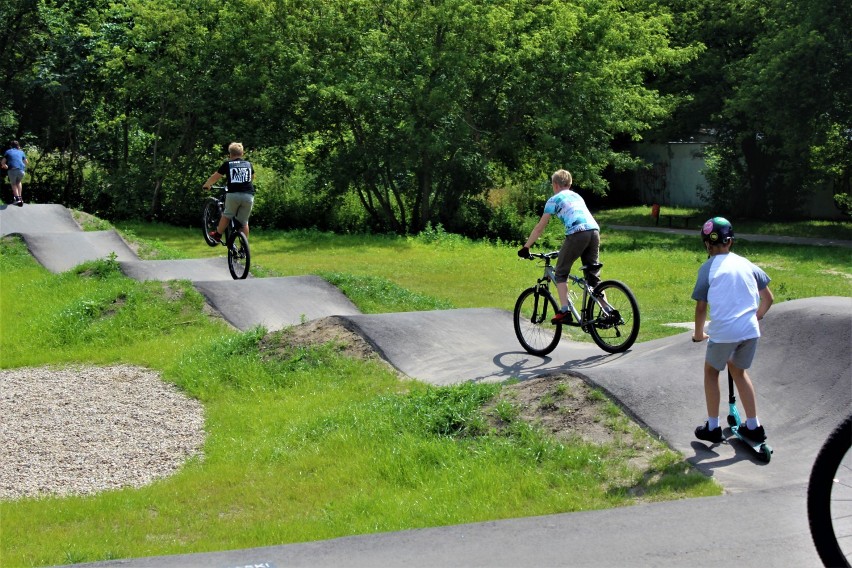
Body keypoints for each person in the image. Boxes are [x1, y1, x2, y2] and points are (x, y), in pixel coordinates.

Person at [691, 217, 774, 444]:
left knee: (711, 372)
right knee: (739, 372)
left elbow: (701, 307)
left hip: (724, 333)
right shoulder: (747, 264)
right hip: (750, 331)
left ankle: (713, 427)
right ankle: (754, 426)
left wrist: (699, 334)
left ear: (707, 245)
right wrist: (756, 317)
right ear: (731, 242)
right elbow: (768, 298)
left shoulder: (707, 268)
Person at [518, 169, 601, 323]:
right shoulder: (577, 196)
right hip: (594, 232)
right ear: (569, 184)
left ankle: (564, 311)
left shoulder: (554, 199)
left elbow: (540, 227)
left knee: (561, 273)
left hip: (577, 233)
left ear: (555, 185)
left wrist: (526, 247)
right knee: (593, 278)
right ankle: (607, 311)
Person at [202, 142, 255, 241]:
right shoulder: (248, 164)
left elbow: (216, 177)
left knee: (227, 215)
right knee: (244, 222)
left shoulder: (228, 164)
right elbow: (251, 178)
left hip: (233, 195)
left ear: (230, 154)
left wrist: (207, 185)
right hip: (248, 195)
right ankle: (244, 248)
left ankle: (217, 235)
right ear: (242, 153)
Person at [2, 140, 29, 207]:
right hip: (21, 170)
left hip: (12, 170)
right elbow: (26, 162)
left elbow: (3, 162)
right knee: (19, 182)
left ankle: (17, 198)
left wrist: (6, 166)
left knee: (13, 183)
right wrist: (22, 166)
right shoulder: (21, 152)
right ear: (18, 146)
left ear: (11, 146)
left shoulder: (8, 151)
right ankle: (20, 197)